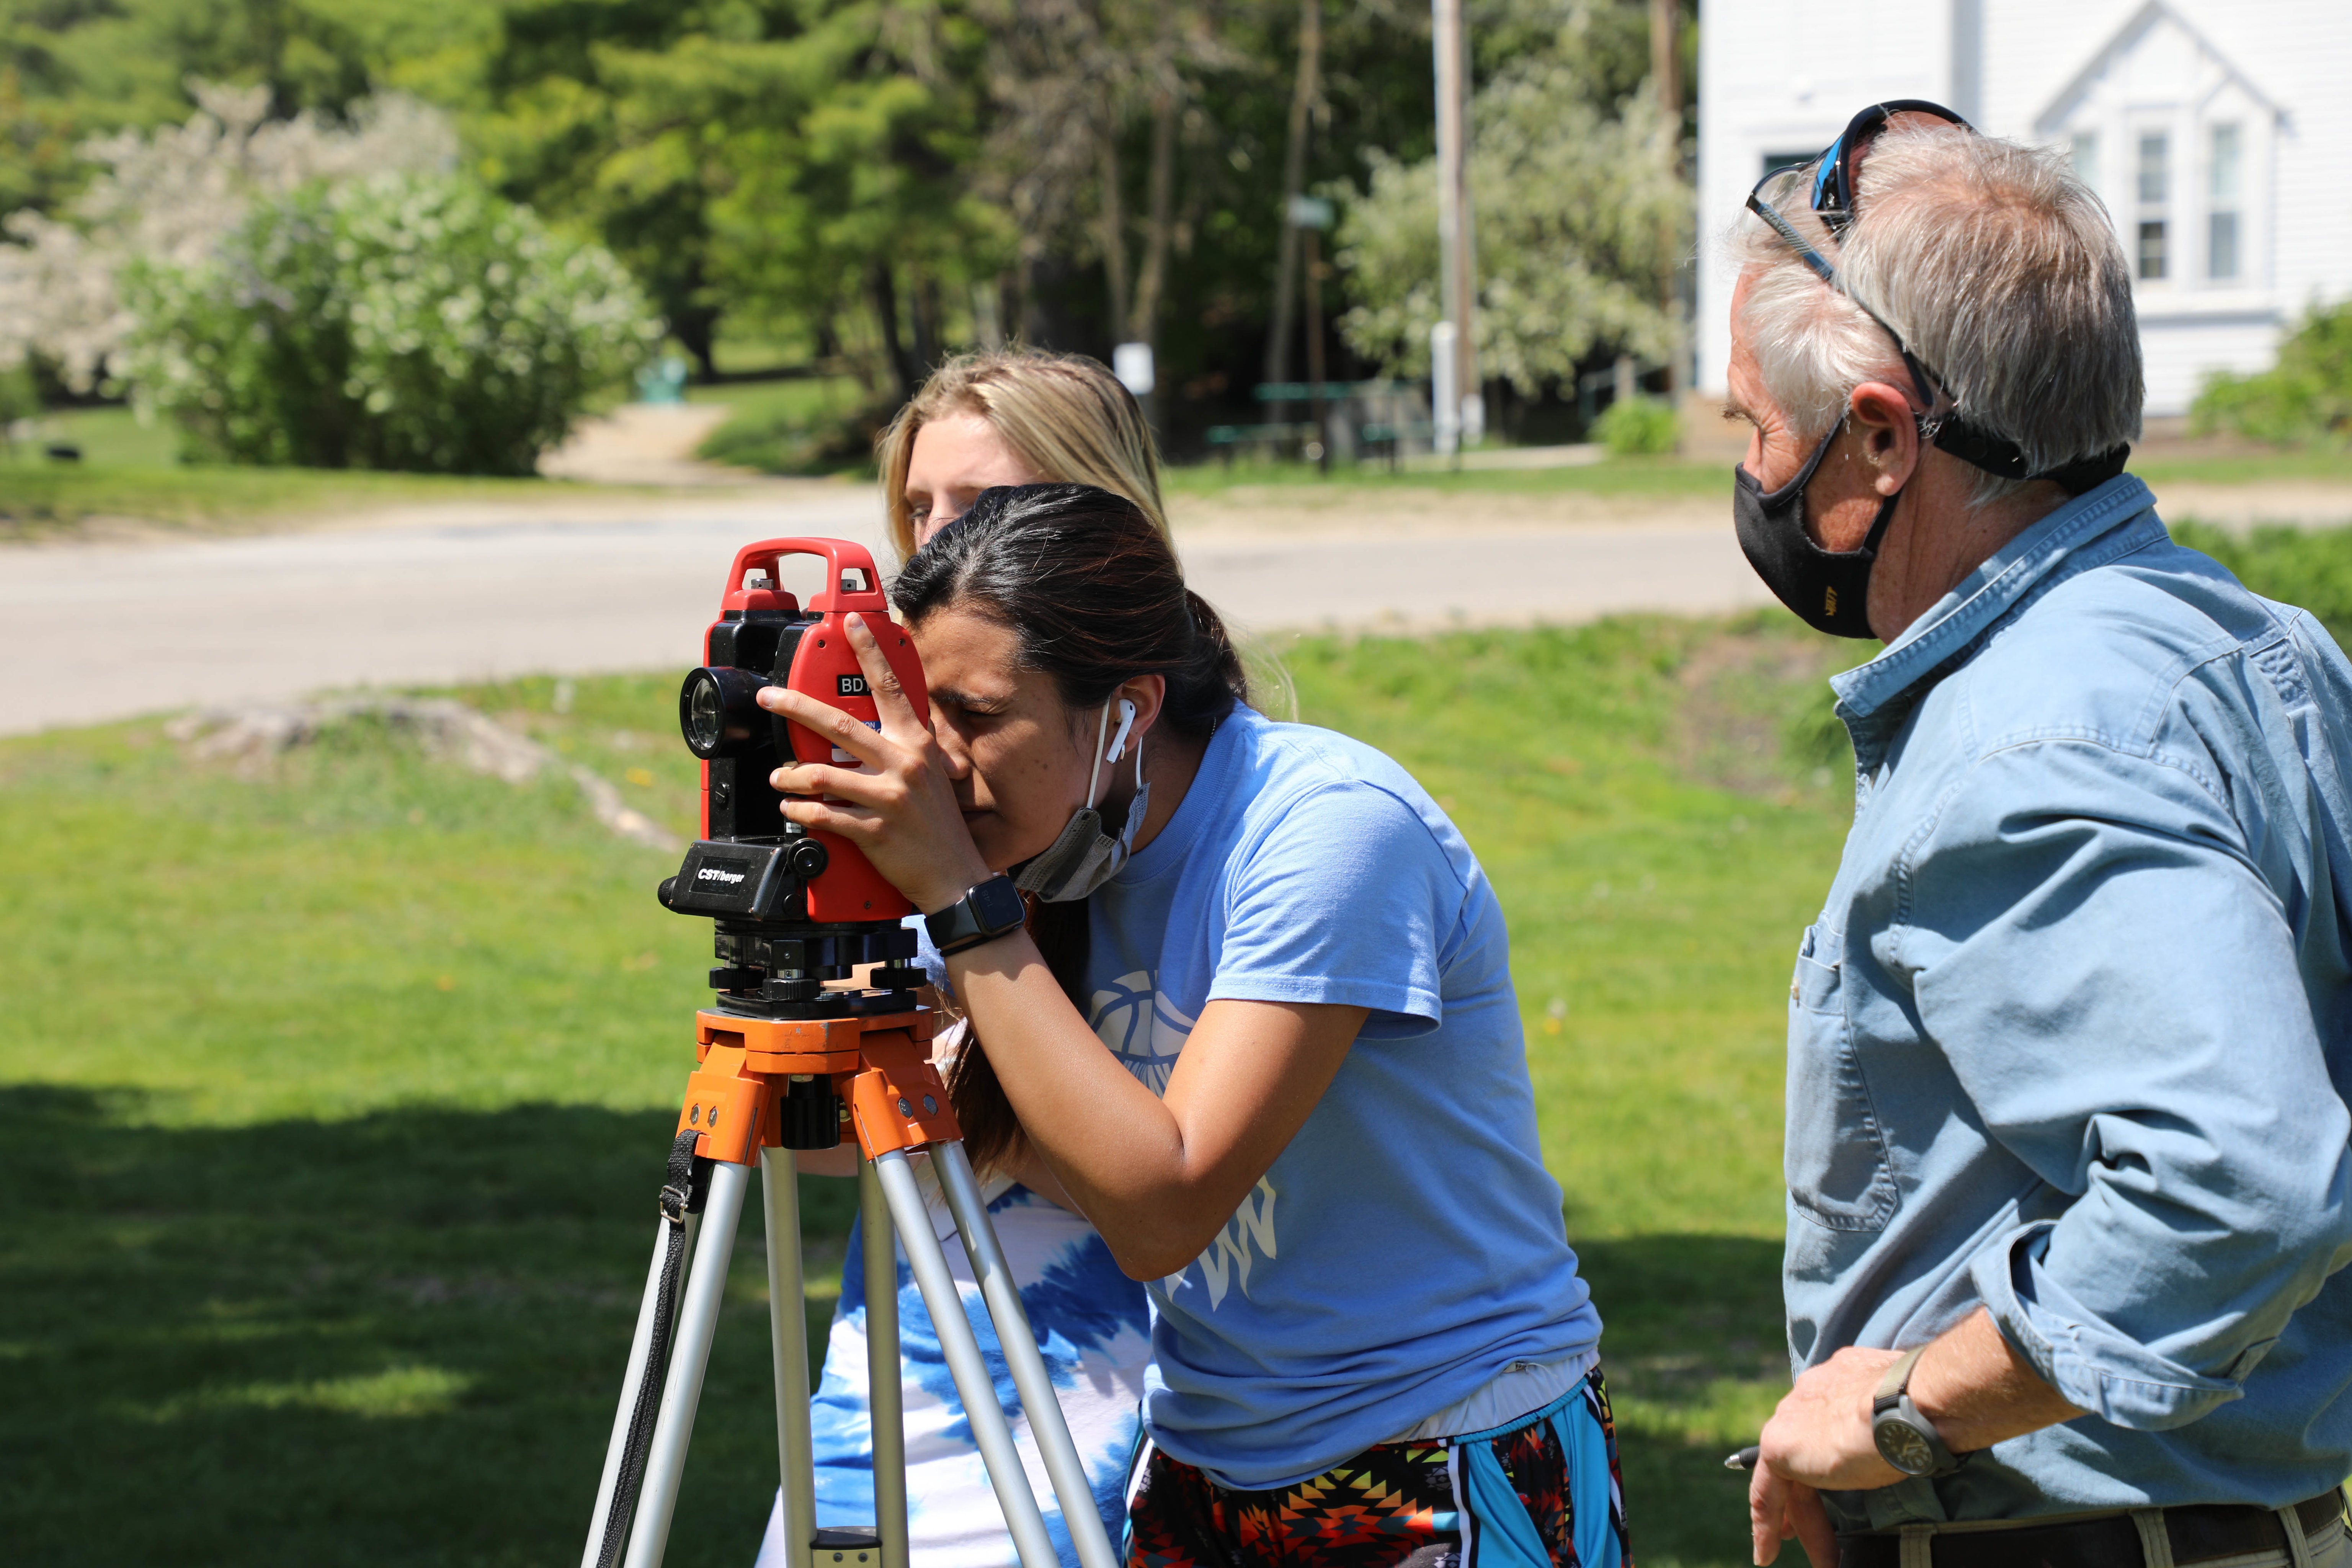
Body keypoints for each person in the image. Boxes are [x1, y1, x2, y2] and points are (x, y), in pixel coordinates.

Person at [757, 482, 1630, 1568]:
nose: (936, 761)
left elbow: (1163, 1207)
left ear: (1129, 708)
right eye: (923, 716)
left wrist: (960, 909)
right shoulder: (1027, 856)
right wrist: (815, 927)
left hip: (1439, 1452)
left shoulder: (1327, 831)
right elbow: (828, 1138)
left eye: (976, 716)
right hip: (1205, 1466)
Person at [1722, 103, 2352, 1568]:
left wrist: (1901, 1406)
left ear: (1878, 438)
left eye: (1759, 430)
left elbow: (2237, 1181)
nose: (1752, 478)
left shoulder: (2035, 743)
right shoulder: (2258, 651)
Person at [756, 350, 1168, 1568]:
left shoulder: (1137, 786)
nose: (937, 540)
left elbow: (1152, 1167)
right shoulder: (929, 781)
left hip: (1106, 1382)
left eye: (981, 508)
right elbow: (831, 1136)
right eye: (919, 510)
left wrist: (958, 1064)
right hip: (908, 1349)